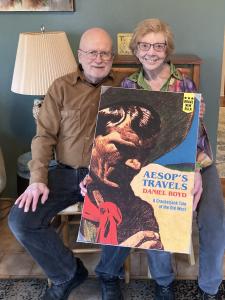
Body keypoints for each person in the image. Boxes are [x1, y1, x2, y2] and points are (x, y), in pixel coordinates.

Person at [81, 19, 225, 300]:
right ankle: (163, 283)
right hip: (151, 166)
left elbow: (194, 132)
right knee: (151, 203)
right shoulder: (128, 84)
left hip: (195, 162)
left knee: (214, 217)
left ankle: (210, 287)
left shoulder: (184, 81)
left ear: (167, 49)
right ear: (136, 49)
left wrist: (193, 168)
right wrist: (94, 173)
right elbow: (108, 135)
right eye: (145, 45)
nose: (151, 52)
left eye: (158, 45)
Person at [8, 27, 126, 300]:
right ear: (80, 55)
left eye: (105, 53)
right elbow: (43, 136)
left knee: (126, 210)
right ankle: (68, 272)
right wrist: (37, 179)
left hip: (106, 174)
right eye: (92, 52)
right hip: (64, 173)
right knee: (21, 220)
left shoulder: (124, 88)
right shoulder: (60, 87)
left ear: (112, 56)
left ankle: (110, 274)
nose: (99, 58)